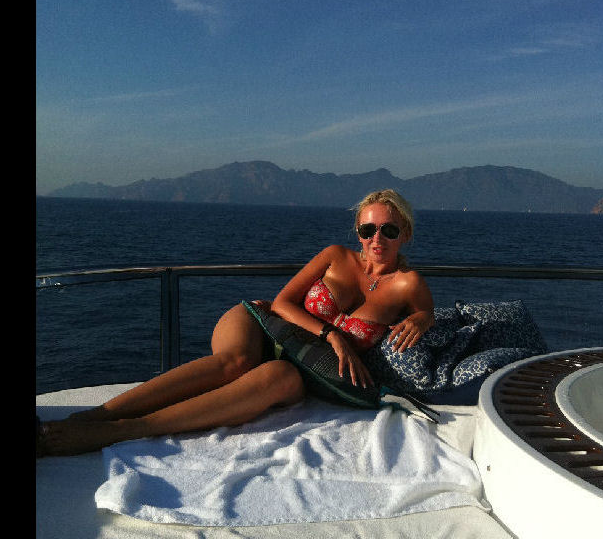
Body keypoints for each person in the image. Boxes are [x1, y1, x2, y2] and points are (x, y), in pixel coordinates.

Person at [37, 189, 435, 456]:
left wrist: (422, 317)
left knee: (281, 376)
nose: (377, 239)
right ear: (358, 232)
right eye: (367, 229)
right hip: (262, 325)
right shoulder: (335, 256)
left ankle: (124, 429)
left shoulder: (409, 284)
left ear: (405, 233)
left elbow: (426, 315)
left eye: (389, 230)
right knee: (237, 362)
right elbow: (282, 302)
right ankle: (94, 416)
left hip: (304, 369)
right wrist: (333, 335)